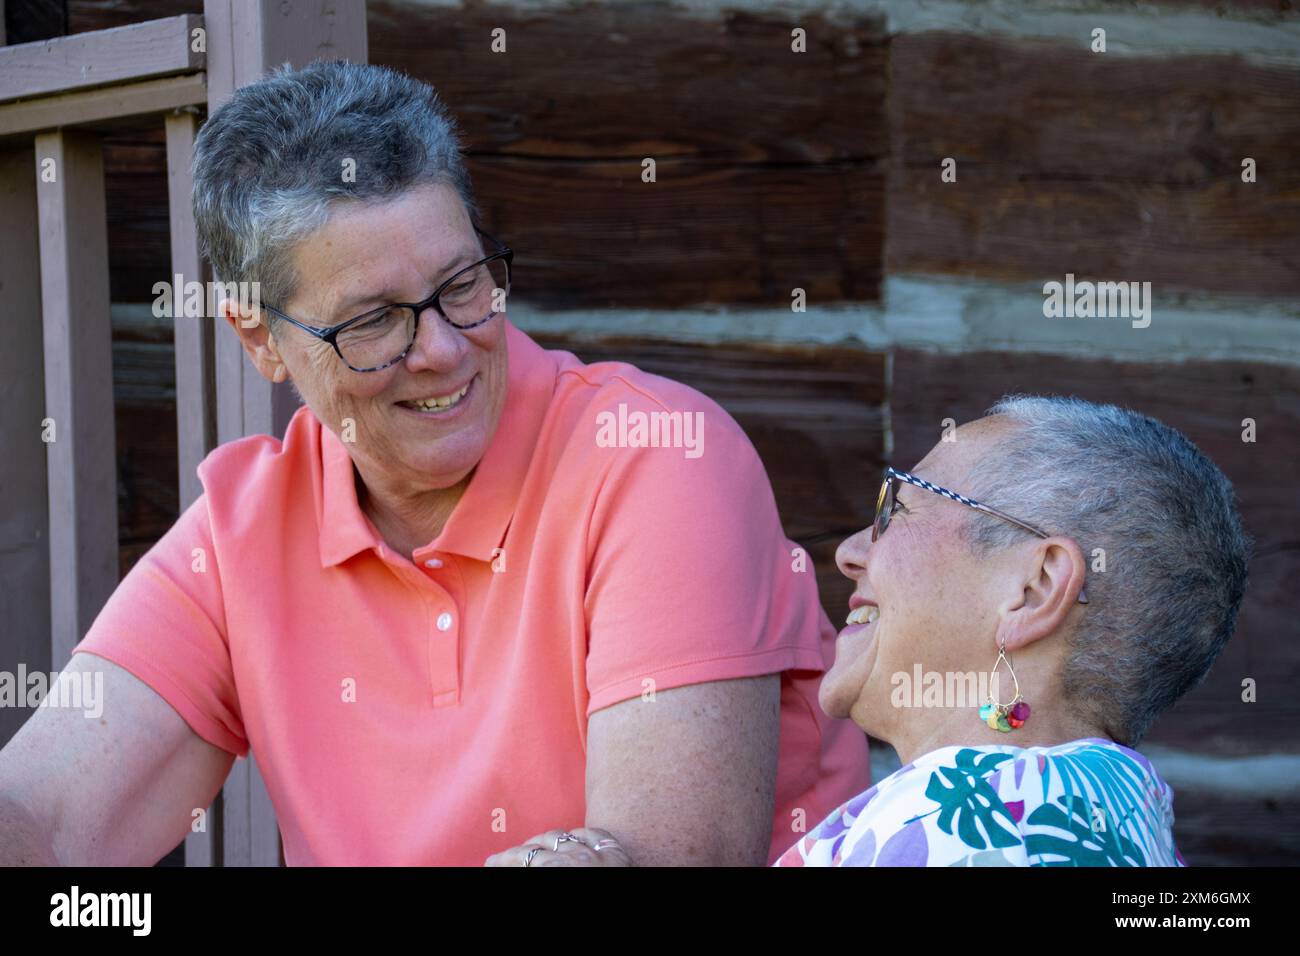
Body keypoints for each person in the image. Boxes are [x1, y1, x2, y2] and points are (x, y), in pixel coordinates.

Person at [0, 60, 869, 866]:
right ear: (260, 339)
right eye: (374, 320)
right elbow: (48, 819)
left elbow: (657, 857)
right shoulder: (242, 532)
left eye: (463, 284)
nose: (445, 350)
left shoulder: (657, 457)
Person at [773, 396, 1249, 866]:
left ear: (1034, 589)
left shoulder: (962, 831)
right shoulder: (1106, 822)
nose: (849, 553)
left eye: (897, 510)